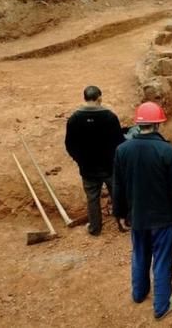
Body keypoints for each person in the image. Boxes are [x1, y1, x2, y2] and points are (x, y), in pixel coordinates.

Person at [112, 102, 172, 320]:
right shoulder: (166, 150)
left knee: (140, 254)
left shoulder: (122, 150)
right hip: (162, 218)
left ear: (138, 125)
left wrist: (120, 214)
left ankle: (138, 293)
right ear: (158, 125)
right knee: (162, 260)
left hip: (137, 217)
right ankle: (161, 306)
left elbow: (118, 186)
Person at [64, 85, 124, 236]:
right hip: (109, 166)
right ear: (100, 98)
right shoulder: (110, 117)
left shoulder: (74, 119)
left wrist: (79, 160)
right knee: (116, 194)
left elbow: (69, 145)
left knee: (92, 198)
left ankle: (95, 228)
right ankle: (123, 223)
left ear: (84, 98)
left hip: (87, 168)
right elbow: (119, 142)